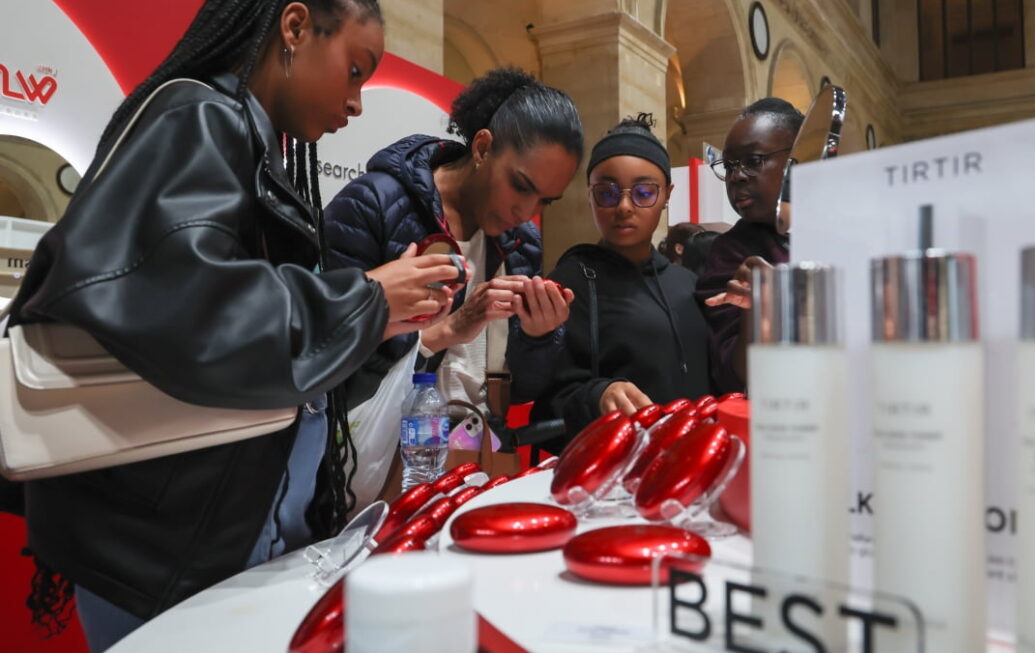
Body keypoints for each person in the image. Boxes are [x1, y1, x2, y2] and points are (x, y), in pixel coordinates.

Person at [1, 2, 463, 650]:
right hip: (167, 556)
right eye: (354, 70)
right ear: (296, 27)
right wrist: (364, 298)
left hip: (197, 538)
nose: (357, 102)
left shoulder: (241, 137)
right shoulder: (200, 116)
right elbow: (194, 311)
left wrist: (376, 312)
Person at [324, 67, 582, 431]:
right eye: (520, 185)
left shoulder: (522, 243)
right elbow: (324, 355)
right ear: (482, 147)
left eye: (546, 201)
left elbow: (522, 390)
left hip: (476, 459)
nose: (527, 212)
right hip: (376, 454)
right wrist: (447, 330)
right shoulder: (374, 204)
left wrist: (540, 335)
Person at [532, 114, 713, 447]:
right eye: (607, 193)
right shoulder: (570, 283)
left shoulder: (687, 284)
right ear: (589, 194)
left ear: (667, 195)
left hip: (692, 463)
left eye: (644, 192)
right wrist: (599, 395)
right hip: (614, 473)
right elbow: (546, 398)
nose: (624, 207)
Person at [694, 97, 802, 393]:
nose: (737, 176)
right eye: (729, 165)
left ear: (797, 160)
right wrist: (756, 310)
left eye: (753, 161)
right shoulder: (731, 252)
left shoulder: (846, 229)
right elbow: (734, 378)